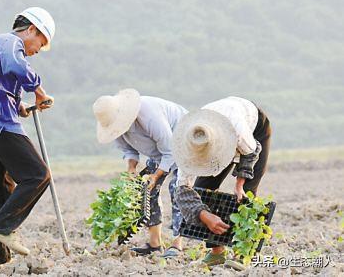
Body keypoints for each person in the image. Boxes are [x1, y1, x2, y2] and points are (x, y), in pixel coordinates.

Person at [0, 7, 56, 265]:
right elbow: (16, 65)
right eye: (41, 42)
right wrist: (38, 90)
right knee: (38, 175)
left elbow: (2, 83)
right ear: (31, 30)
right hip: (0, 124)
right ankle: (5, 227)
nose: (38, 50)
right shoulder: (9, 42)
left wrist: (23, 107)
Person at [172, 96, 271, 267]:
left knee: (247, 193)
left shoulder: (238, 131)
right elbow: (181, 189)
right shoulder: (187, 146)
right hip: (212, 132)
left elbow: (251, 152)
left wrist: (239, 184)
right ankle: (216, 253)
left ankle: (244, 253)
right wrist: (204, 215)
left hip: (254, 129)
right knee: (202, 189)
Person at [92, 88, 187, 256]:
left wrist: (156, 175)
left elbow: (170, 151)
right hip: (158, 152)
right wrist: (131, 169)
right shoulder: (116, 129)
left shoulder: (150, 116)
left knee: (178, 189)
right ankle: (154, 244)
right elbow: (129, 151)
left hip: (181, 142)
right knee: (146, 190)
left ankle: (177, 243)